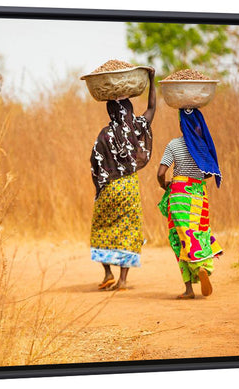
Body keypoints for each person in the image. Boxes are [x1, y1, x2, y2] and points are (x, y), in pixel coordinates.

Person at [90, 68, 156, 291]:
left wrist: (99, 188)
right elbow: (152, 108)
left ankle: (107, 272)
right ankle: (123, 280)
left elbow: (96, 162)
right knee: (128, 230)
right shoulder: (137, 127)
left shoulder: (104, 134)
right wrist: (152, 80)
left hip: (109, 188)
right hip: (128, 187)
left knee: (101, 228)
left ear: (110, 111)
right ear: (129, 109)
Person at [157, 108, 223, 299]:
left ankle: (189, 287)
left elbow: (161, 173)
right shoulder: (203, 146)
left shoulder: (174, 145)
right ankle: (204, 268)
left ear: (181, 125)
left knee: (180, 238)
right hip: (199, 195)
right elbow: (210, 171)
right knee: (200, 232)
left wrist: (165, 185)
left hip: (179, 195)